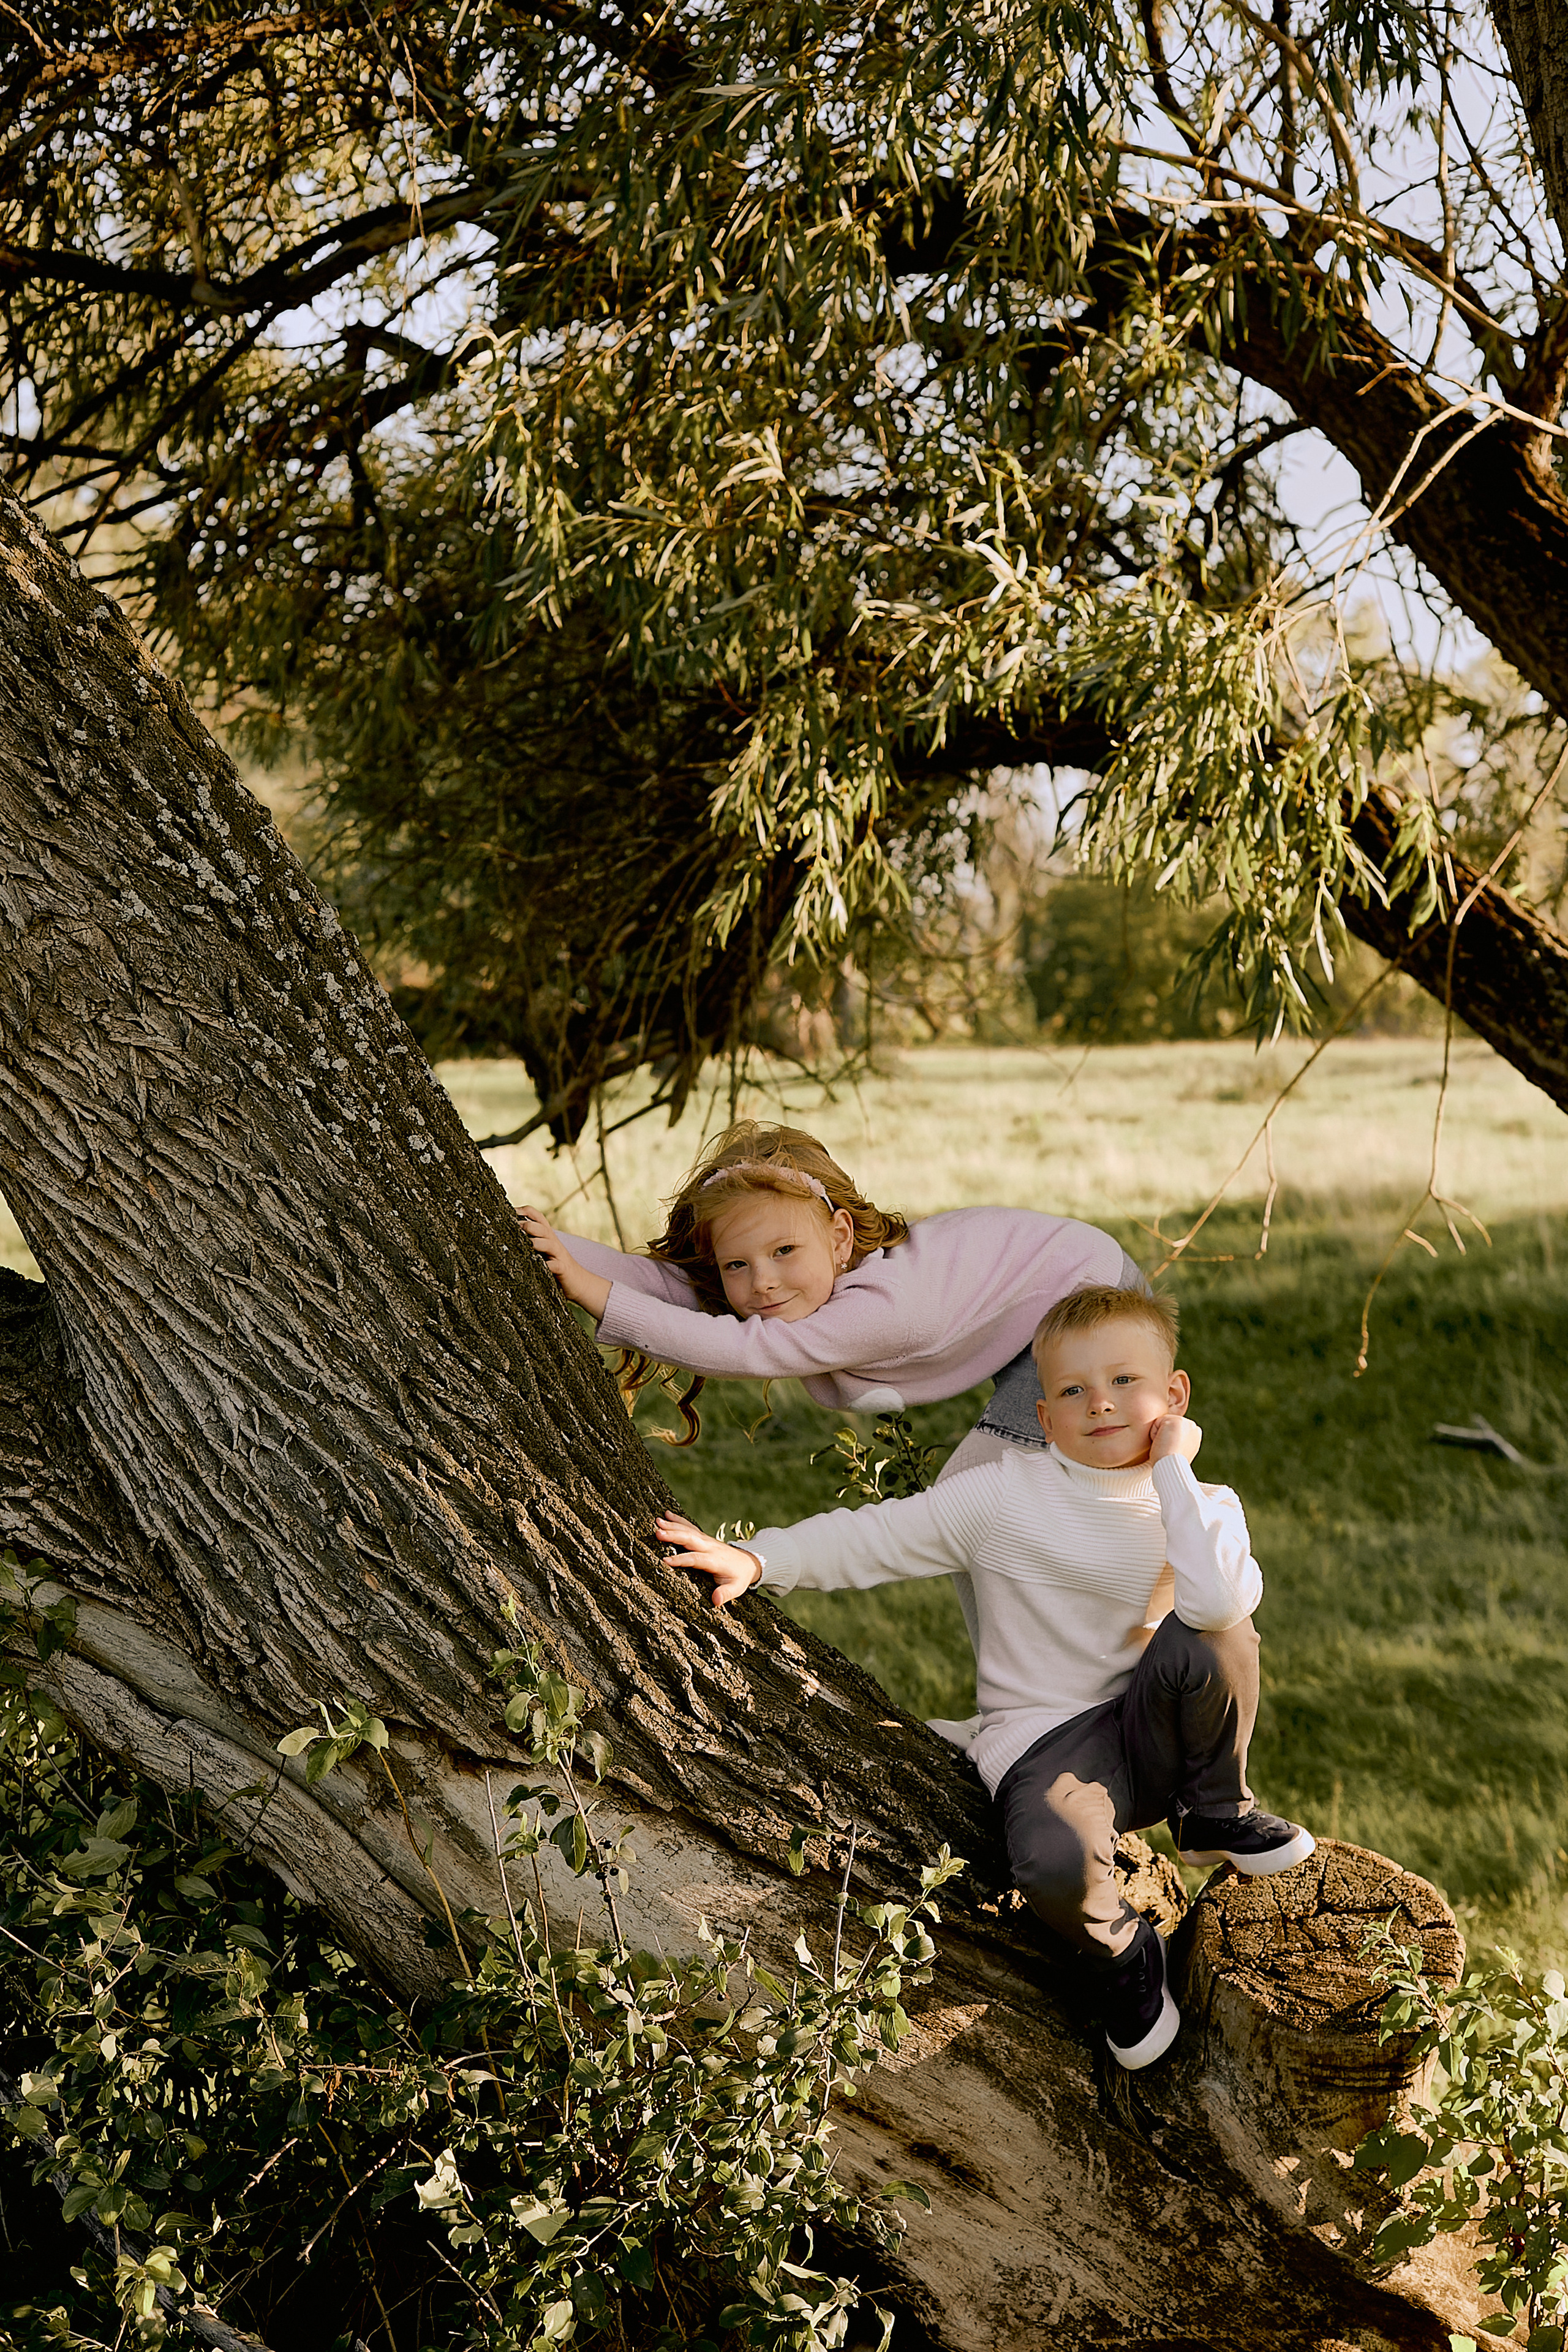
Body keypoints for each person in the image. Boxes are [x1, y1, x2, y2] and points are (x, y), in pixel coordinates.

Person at [653, 1283, 1315, 2072]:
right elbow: (880, 1537)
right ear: (1043, 1417)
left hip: (1162, 1724)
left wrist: (1172, 1473)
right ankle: (1124, 1958)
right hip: (1050, 1738)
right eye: (1073, 1390)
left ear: (1175, 1396)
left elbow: (1216, 1604)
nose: (1101, 1404)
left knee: (1218, 1631)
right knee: (1052, 1863)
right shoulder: (1006, 1497)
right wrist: (761, 1557)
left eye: (1126, 1382)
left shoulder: (1207, 1505)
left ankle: (1215, 1811)